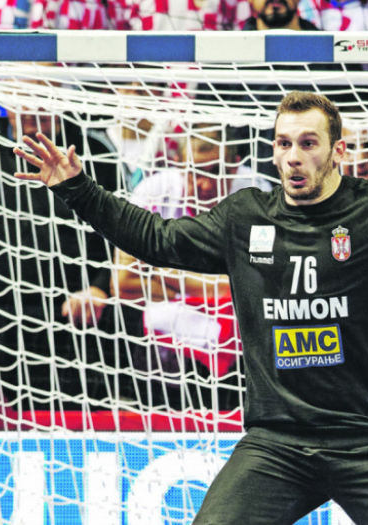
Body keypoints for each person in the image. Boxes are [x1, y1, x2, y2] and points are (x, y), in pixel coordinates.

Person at [13, 88, 368, 524]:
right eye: (283, 143)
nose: (293, 156)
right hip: (276, 444)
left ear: (338, 150)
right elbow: (156, 239)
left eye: (308, 143)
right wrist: (77, 188)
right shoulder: (246, 217)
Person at [0, 96, 124, 409]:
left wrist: (100, 286)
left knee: (74, 419)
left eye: (40, 98)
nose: (31, 110)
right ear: (4, 102)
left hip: (74, 316)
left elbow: (122, 230)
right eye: (21, 99)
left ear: (60, 98)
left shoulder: (96, 150)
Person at [115, 124, 271, 410]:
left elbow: (259, 285)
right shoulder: (152, 191)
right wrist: (213, 283)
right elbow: (123, 283)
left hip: (237, 343)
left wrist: (164, 273)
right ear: (178, 164)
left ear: (235, 166)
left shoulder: (257, 194)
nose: (206, 185)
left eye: (216, 171)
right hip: (162, 345)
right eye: (195, 172)